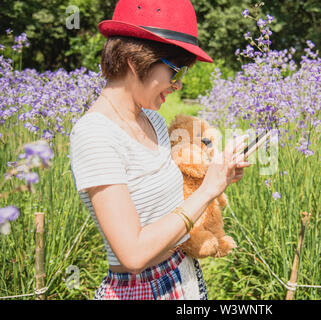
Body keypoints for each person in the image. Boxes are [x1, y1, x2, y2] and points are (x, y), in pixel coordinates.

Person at [69, 0, 250, 300]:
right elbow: (134, 254)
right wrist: (207, 191)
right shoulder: (95, 135)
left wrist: (218, 176)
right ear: (135, 60)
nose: (177, 86)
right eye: (175, 72)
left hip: (183, 272)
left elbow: (167, 203)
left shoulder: (151, 118)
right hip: (142, 289)